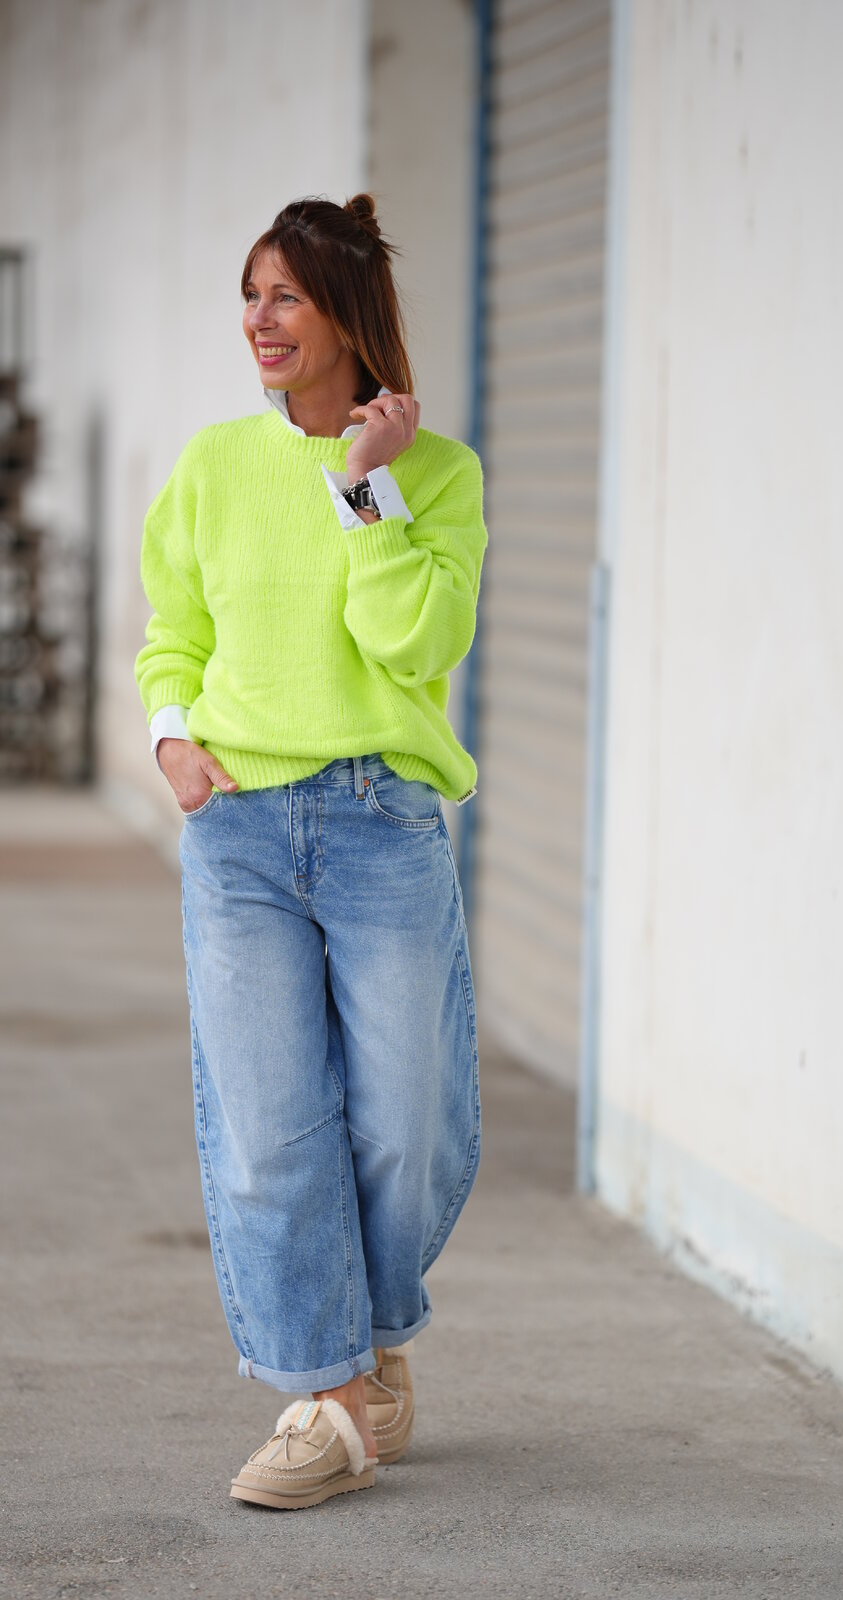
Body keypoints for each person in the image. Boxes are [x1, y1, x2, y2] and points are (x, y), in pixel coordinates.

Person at [133, 194, 488, 1510]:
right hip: (239, 831)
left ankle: (369, 1332)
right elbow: (173, 631)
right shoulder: (214, 464)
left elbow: (416, 642)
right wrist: (174, 741)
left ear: (347, 312)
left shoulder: (437, 473)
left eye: (284, 295)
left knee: (409, 1123)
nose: (259, 320)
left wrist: (361, 491)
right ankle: (329, 1402)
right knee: (270, 1130)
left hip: (382, 823)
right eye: (251, 294)